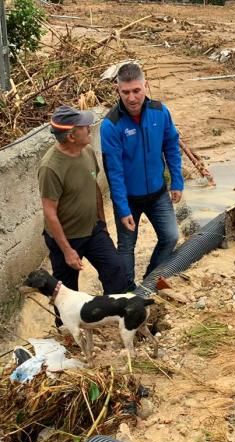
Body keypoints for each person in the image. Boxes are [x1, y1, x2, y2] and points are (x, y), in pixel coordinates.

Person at [100, 62, 184, 291]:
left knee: (170, 237)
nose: (132, 98)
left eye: (136, 90)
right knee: (126, 248)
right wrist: (123, 208)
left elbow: (171, 147)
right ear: (118, 90)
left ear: (145, 86)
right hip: (128, 199)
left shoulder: (160, 112)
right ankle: (127, 292)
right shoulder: (111, 125)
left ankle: (150, 280)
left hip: (158, 194)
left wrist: (177, 181)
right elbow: (113, 172)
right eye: (125, 92)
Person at [38, 105, 126, 295]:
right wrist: (68, 251)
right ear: (71, 136)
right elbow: (50, 212)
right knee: (65, 293)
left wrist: (102, 223)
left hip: (93, 231)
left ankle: (116, 315)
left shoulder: (87, 152)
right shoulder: (50, 168)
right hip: (66, 240)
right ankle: (65, 325)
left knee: (115, 270)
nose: (89, 128)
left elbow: (93, 187)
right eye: (85, 126)